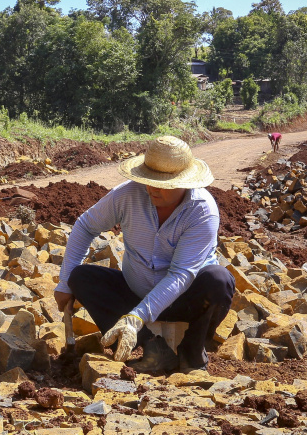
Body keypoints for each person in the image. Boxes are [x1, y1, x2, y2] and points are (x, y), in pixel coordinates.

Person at [53, 136, 235, 373]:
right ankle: (154, 349)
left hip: (184, 298)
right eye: (149, 180)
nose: (152, 188)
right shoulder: (128, 196)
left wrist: (136, 318)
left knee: (219, 280)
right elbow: (85, 225)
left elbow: (181, 274)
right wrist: (65, 281)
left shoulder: (202, 211)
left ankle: (192, 350)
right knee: (80, 277)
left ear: (184, 183)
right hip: (135, 293)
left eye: (162, 184)